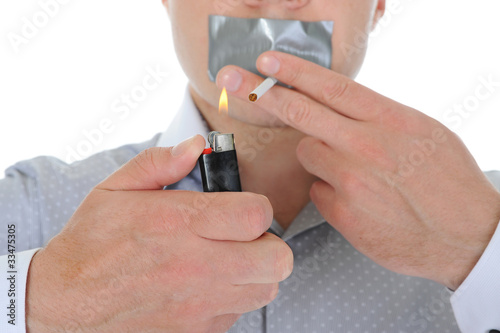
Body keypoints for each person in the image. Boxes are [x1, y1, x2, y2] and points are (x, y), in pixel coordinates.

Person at [1, 0, 500, 332]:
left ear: (378, 6)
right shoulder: (29, 207)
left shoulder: (485, 216)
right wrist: (35, 299)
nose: (273, 1)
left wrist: (485, 252)